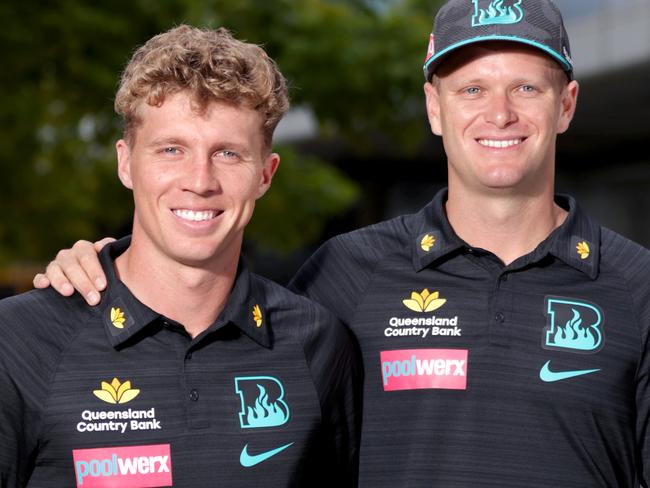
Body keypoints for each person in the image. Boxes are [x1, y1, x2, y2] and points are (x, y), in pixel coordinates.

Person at [34, 0, 650, 486]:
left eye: (526, 88)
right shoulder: (346, 274)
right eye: (471, 88)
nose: (499, 113)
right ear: (433, 107)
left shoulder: (640, 288)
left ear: (566, 105)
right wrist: (104, 267)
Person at [1, 25, 360, 487]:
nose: (200, 180)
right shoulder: (20, 341)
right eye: (171, 149)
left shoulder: (319, 345)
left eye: (228, 153)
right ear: (126, 162)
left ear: (265, 175)